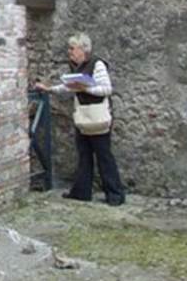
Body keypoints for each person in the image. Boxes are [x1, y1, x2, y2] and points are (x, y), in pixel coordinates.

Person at [34, 33, 125, 206]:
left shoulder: (96, 64)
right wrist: (49, 89)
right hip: (83, 116)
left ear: (83, 49)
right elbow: (67, 87)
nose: (69, 52)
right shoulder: (76, 68)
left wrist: (85, 88)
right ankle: (82, 192)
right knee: (84, 155)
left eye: (72, 48)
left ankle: (115, 194)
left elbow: (106, 89)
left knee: (103, 155)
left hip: (97, 116)